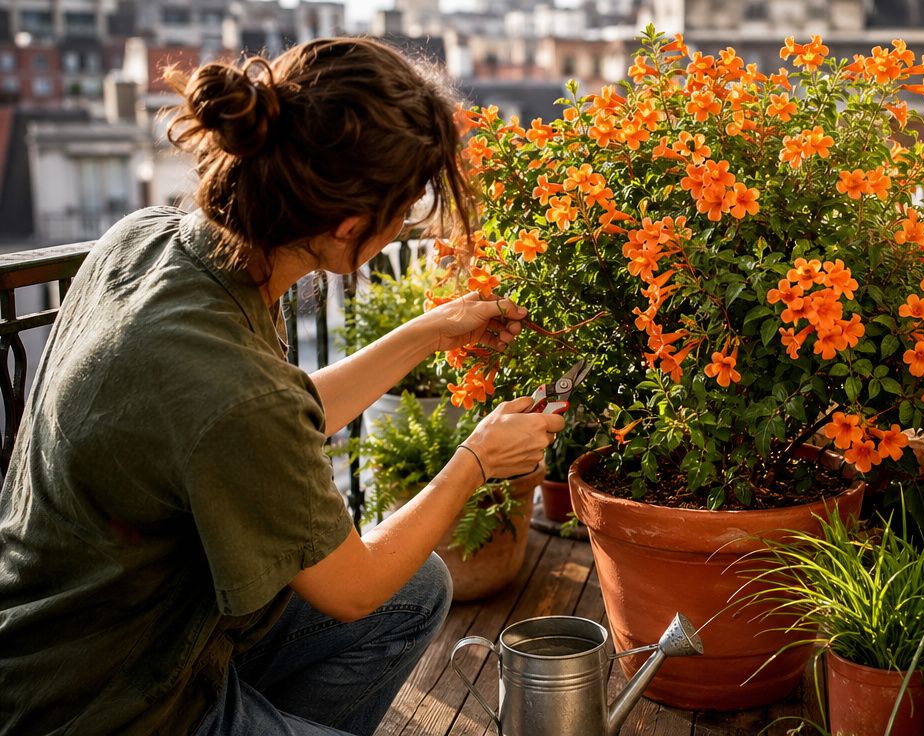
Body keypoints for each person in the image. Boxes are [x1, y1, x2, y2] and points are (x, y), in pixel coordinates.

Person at [0, 38, 563, 735]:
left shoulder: (151, 242)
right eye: (404, 210)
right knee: (385, 595)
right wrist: (477, 457)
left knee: (418, 591)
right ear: (348, 227)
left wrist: (431, 330)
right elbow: (352, 590)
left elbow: (268, 423)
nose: (404, 227)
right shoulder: (229, 384)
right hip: (104, 704)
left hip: (102, 641)